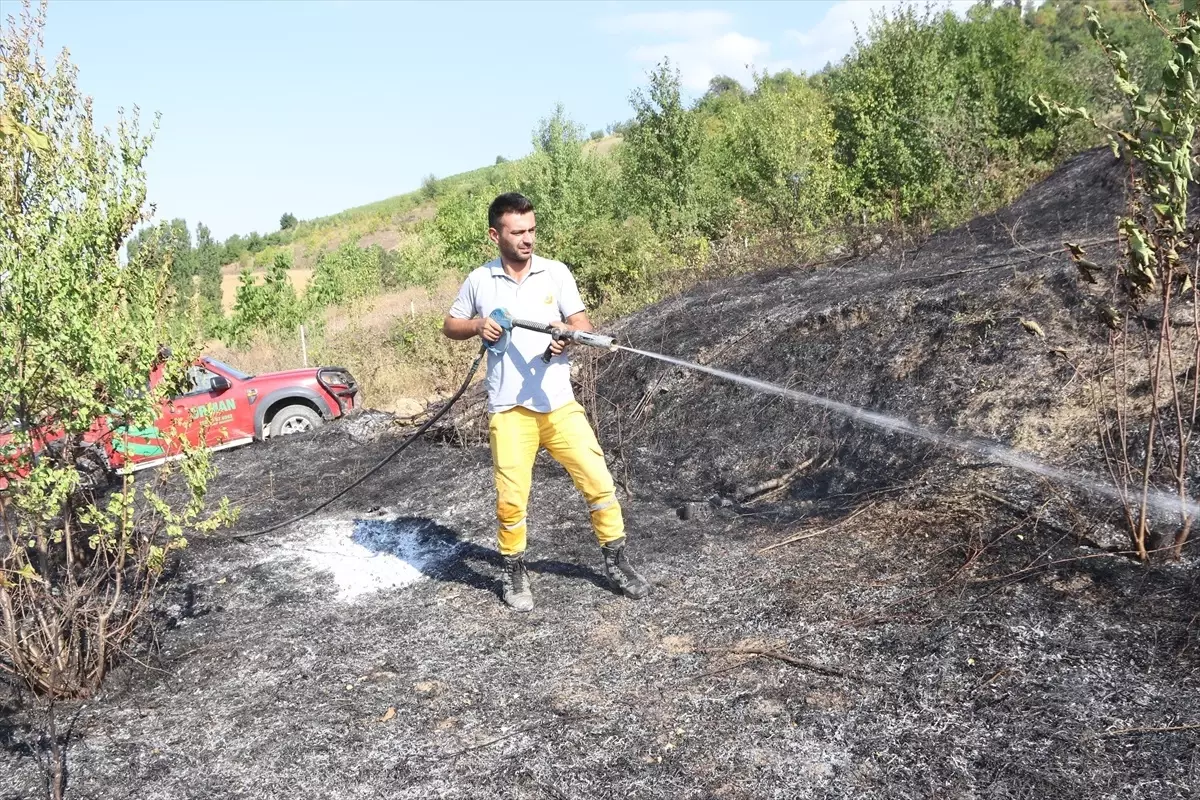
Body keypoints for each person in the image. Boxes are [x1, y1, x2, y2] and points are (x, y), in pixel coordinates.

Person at [442, 192, 651, 612]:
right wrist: (479, 325)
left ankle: (616, 559)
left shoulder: (555, 273)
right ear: (494, 234)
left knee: (599, 481)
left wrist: (567, 334)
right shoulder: (480, 281)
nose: (527, 239)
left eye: (532, 230)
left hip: (558, 403)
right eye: (517, 232)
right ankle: (514, 569)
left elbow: (583, 323)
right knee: (511, 499)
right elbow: (450, 325)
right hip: (509, 408)